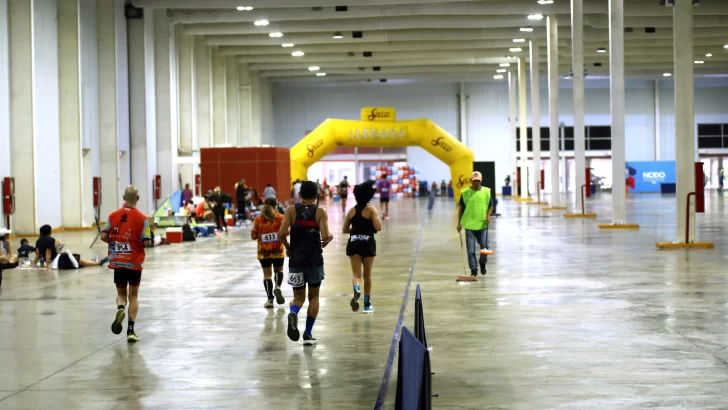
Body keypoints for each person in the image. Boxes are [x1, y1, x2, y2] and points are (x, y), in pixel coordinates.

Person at [279, 181, 333, 346]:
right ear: (316, 196)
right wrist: (329, 238)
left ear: (300, 194)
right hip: (314, 260)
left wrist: (288, 248)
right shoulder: (320, 212)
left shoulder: (291, 210)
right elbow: (325, 236)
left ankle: (294, 312)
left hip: (296, 260)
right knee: (314, 296)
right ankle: (308, 334)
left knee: (298, 297)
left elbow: (281, 233)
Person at [100, 186, 152, 343]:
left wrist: (116, 241)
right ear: (138, 198)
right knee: (134, 295)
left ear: (124, 197)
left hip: (118, 260)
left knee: (121, 294)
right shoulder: (143, 219)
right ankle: (130, 331)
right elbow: (147, 242)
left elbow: (103, 236)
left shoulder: (112, 216)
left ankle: (120, 308)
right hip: (134, 263)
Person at [343, 183, 382, 314]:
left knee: (356, 274)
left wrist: (356, 231)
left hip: (354, 242)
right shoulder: (371, 210)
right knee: (368, 275)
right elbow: (378, 227)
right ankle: (366, 304)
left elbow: (344, 229)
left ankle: (356, 287)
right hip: (367, 242)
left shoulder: (351, 211)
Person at [457, 171, 495, 277]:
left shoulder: (486, 192)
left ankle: (482, 263)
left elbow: (491, 205)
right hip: (469, 225)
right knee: (470, 250)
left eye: (478, 181)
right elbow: (461, 208)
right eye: (474, 181)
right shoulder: (465, 193)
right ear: (471, 181)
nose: (476, 183)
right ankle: (473, 270)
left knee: (484, 247)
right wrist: (459, 223)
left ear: (481, 180)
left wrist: (488, 215)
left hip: (482, 225)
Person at [251, 198, 287, 308]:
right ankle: (277, 286)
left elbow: (253, 236)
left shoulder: (258, 219)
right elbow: (287, 231)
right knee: (279, 270)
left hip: (263, 252)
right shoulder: (280, 217)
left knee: (267, 275)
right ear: (275, 206)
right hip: (277, 250)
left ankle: (270, 300)